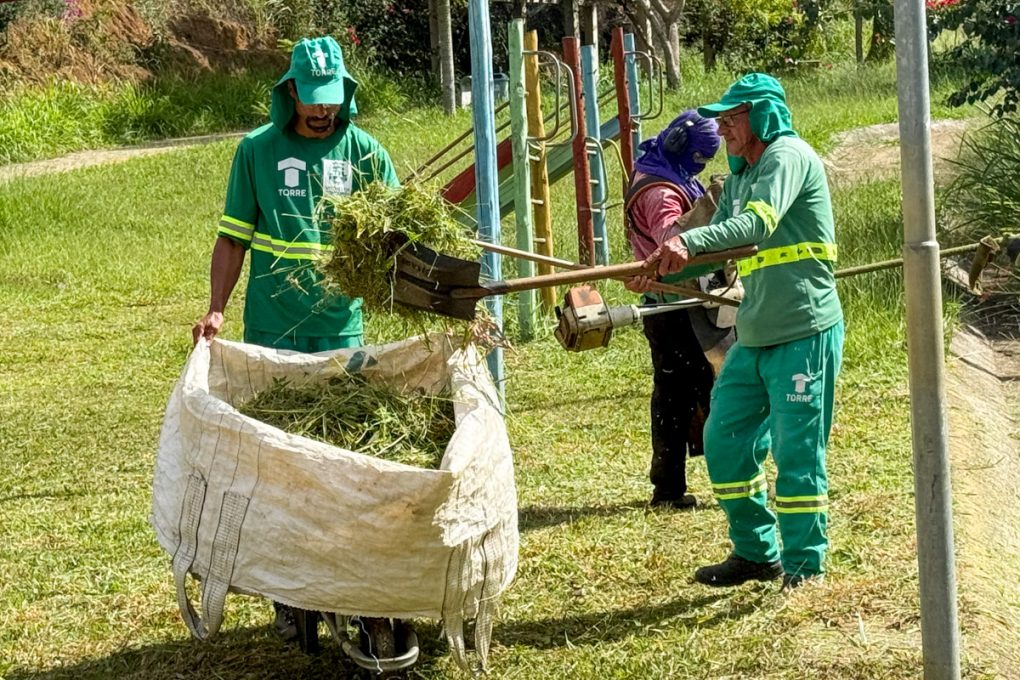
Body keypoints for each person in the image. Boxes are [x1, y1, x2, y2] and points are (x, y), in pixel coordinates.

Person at [191, 36, 400, 640]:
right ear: (289, 93)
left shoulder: (364, 151)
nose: (323, 112)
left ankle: (349, 578)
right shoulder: (257, 151)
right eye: (312, 101)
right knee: (278, 461)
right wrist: (215, 310)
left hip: (341, 328)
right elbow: (233, 238)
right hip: (272, 328)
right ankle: (287, 589)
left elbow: (396, 234)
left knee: (340, 456)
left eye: (331, 101)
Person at [639, 73, 844, 589]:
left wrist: (687, 245)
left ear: (763, 115)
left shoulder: (786, 157)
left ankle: (805, 567)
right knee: (724, 439)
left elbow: (756, 227)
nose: (723, 126)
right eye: (721, 117)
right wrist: (659, 270)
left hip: (803, 329)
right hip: (755, 335)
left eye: (733, 116)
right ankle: (757, 553)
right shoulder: (742, 176)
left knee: (797, 453)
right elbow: (715, 249)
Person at [622, 110, 723, 510]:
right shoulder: (661, 192)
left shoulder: (654, 164)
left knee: (673, 396)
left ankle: (668, 489)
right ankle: (730, 481)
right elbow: (672, 242)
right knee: (714, 392)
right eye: (699, 158)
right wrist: (716, 206)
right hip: (678, 307)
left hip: (670, 306)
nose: (699, 167)